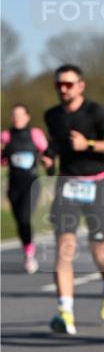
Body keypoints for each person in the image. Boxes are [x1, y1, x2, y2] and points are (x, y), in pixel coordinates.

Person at [44, 65, 104, 335]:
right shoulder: (52, 115)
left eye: (68, 84)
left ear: (81, 85)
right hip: (67, 183)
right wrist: (47, 159)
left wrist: (89, 145)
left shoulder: (96, 112)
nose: (63, 89)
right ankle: (65, 312)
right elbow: (55, 144)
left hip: (95, 184)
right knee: (64, 246)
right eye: (59, 85)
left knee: (98, 249)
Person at [1, 104, 50, 273]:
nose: (17, 118)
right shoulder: (6, 136)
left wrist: (48, 163)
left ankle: (30, 255)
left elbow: (47, 153)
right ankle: (28, 248)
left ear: (27, 117)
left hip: (31, 183)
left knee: (25, 217)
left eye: (20, 115)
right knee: (19, 222)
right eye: (14, 115)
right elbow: (2, 160)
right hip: (14, 185)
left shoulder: (35, 134)